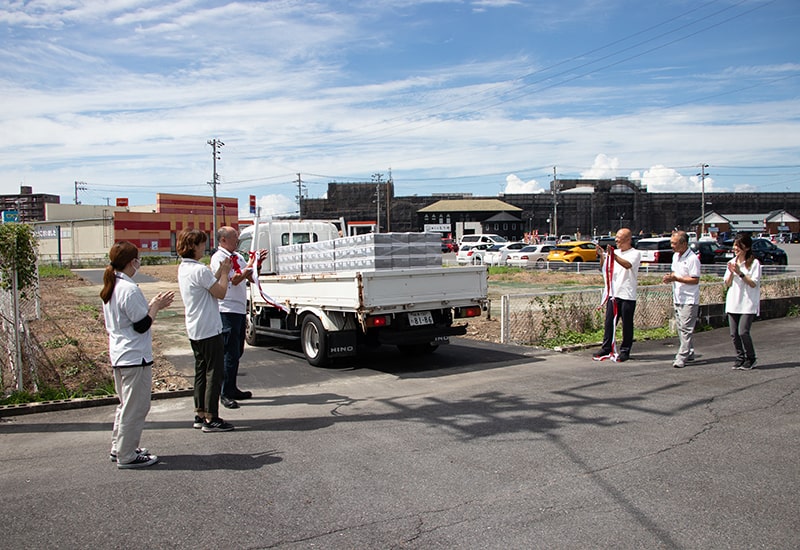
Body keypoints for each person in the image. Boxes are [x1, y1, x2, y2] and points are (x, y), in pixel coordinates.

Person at [101, 241, 174, 468]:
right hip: (134, 356)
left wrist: (151, 305)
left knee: (125, 405)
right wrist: (156, 306)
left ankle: (121, 447)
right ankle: (127, 455)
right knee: (136, 407)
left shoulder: (113, 286)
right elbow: (141, 324)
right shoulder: (129, 289)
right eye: (137, 259)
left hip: (121, 354)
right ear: (132, 262)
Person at [177, 228, 235, 432]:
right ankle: (212, 418)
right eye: (201, 244)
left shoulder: (185, 268)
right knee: (214, 372)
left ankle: (200, 413)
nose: (204, 247)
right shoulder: (199, 270)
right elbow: (219, 292)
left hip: (195, 327)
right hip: (209, 327)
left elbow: (208, 284)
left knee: (201, 371)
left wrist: (220, 271)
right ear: (193, 246)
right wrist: (226, 274)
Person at [210, 226, 266, 409]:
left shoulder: (238, 257)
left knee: (237, 351)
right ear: (223, 239)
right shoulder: (219, 258)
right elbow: (234, 279)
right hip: (226, 310)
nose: (237, 240)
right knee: (229, 352)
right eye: (235, 237)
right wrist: (250, 266)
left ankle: (232, 387)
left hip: (239, 309)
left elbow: (248, 277)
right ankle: (225, 392)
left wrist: (255, 265)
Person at [593, 228, 641, 362]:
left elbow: (627, 265)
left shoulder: (635, 253)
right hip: (613, 294)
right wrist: (602, 256)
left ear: (627, 239)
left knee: (627, 324)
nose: (616, 240)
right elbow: (604, 268)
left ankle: (625, 350)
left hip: (627, 294)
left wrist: (614, 255)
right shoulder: (615, 253)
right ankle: (606, 347)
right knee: (609, 322)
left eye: (619, 238)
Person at [662, 230, 701, 368]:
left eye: (674, 243)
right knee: (681, 327)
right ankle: (689, 352)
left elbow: (694, 279)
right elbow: (675, 272)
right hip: (678, 296)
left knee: (686, 328)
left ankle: (682, 356)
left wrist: (676, 278)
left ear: (683, 243)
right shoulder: (676, 257)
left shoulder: (692, 259)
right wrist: (670, 277)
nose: (672, 246)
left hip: (689, 299)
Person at [724, 233, 761, 370]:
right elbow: (727, 283)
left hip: (748, 302)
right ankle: (740, 357)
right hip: (733, 301)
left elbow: (753, 284)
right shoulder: (732, 262)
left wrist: (740, 273)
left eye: (739, 246)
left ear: (746, 248)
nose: (735, 248)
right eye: (735, 246)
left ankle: (751, 358)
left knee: (743, 332)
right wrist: (732, 272)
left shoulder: (754, 263)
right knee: (734, 333)